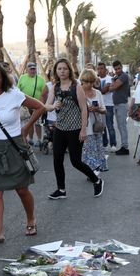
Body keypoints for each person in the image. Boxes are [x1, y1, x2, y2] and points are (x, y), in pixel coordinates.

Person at [0, 60, 44, 245]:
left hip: (14, 146)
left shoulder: (14, 95)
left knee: (21, 189)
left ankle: (31, 220)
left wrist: (26, 128)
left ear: (3, 78)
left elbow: (39, 107)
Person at [43, 59, 104, 199]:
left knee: (75, 161)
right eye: (59, 69)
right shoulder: (55, 87)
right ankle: (61, 190)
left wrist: (83, 129)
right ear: (56, 71)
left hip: (75, 129)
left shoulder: (76, 86)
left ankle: (97, 180)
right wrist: (53, 106)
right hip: (60, 128)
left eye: (65, 68)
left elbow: (84, 109)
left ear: (69, 70)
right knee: (57, 159)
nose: (62, 71)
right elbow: (46, 105)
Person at [79, 68, 109, 175]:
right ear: (82, 80)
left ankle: (94, 170)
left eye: (91, 82)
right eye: (86, 81)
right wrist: (86, 109)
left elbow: (104, 110)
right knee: (88, 150)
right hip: (85, 127)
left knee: (97, 149)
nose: (89, 84)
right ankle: (91, 172)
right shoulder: (79, 92)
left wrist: (97, 109)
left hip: (97, 126)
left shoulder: (98, 93)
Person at [17, 62, 46, 147]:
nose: (33, 71)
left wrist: (42, 104)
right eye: (31, 69)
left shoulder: (40, 79)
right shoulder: (22, 78)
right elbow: (18, 91)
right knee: (28, 123)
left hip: (37, 105)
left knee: (37, 123)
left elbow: (44, 93)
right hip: (25, 106)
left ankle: (39, 139)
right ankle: (31, 139)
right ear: (27, 69)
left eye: (34, 69)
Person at [110, 60, 130, 155]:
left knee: (122, 126)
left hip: (122, 104)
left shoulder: (124, 76)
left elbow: (113, 87)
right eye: (116, 69)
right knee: (119, 126)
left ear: (121, 67)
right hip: (117, 104)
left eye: (119, 68)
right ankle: (123, 145)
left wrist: (110, 85)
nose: (118, 70)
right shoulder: (116, 76)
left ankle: (125, 147)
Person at [97, 62, 117, 152]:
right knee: (102, 126)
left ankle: (113, 144)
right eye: (98, 69)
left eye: (102, 68)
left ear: (105, 70)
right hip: (99, 105)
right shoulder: (96, 79)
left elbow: (104, 90)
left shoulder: (110, 78)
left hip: (108, 105)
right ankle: (104, 144)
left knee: (109, 125)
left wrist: (97, 89)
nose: (100, 70)